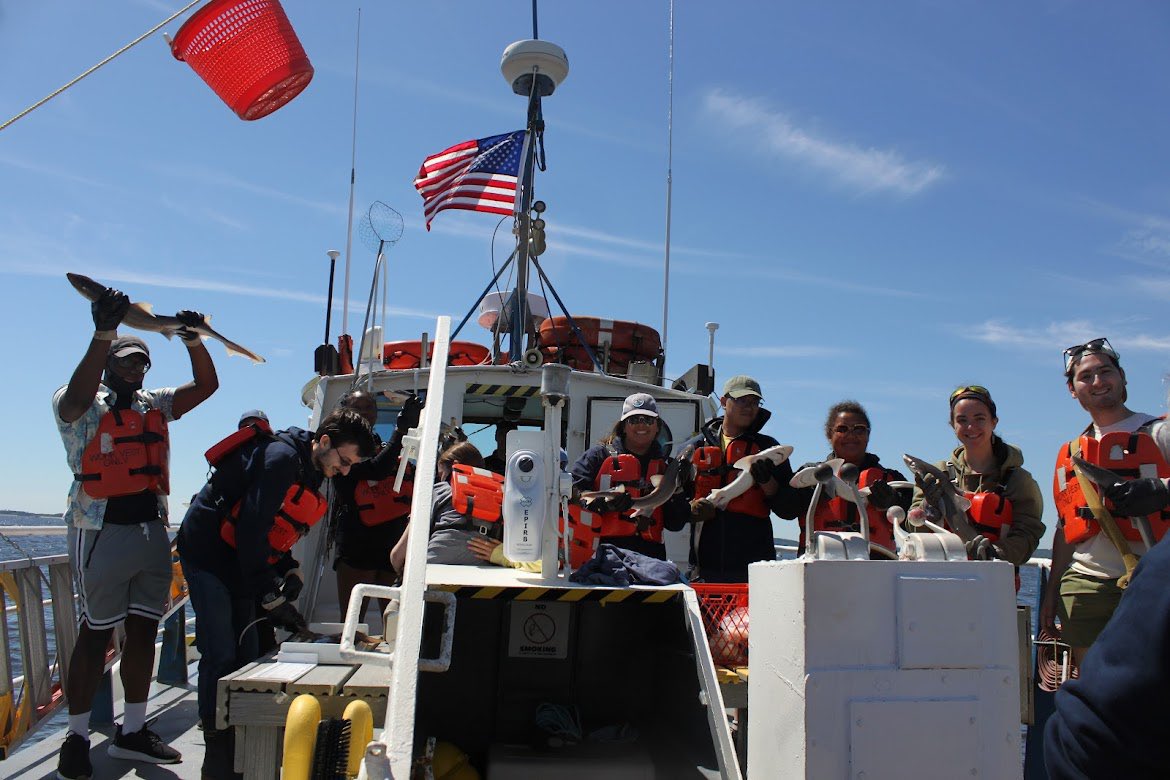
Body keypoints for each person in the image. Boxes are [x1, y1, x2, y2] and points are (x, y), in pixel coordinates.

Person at [52, 286, 218, 779]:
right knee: (94, 633)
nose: (133, 370)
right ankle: (77, 738)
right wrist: (105, 330)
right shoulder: (80, 401)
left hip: (150, 531)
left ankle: (133, 731)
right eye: (124, 362)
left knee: (145, 626)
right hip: (99, 531)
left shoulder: (155, 404)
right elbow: (74, 400)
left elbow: (206, 386)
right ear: (107, 364)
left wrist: (193, 339)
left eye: (140, 363)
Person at [177, 408, 376, 779]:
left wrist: (287, 568)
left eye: (351, 465)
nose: (346, 471)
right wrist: (271, 597)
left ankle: (241, 735)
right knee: (221, 652)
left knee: (249, 651)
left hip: (237, 557)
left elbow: (275, 526)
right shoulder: (281, 459)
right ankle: (217, 747)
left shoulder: (310, 467)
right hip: (207, 554)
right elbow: (251, 528)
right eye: (344, 461)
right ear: (325, 442)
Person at [1039, 338, 1170, 665]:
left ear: (1122, 377)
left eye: (1105, 371)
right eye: (1085, 376)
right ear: (1072, 389)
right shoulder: (1071, 454)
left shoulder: (1161, 433)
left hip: (1156, 581)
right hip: (1085, 588)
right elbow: (1065, 527)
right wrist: (1052, 592)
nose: (1097, 382)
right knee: (1093, 691)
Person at [908, 386, 1045, 566]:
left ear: (994, 422)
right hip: (942, 575)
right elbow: (913, 528)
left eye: (979, 419)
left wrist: (994, 553)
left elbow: (1028, 534)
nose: (971, 427)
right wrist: (929, 507)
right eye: (962, 420)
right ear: (952, 425)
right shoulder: (935, 475)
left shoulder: (1019, 480)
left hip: (993, 580)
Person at [688, 377, 803, 582]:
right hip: (705, 564)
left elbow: (789, 510)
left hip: (753, 566)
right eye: (742, 400)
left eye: (755, 402)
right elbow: (676, 504)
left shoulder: (770, 449)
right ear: (724, 402)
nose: (749, 408)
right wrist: (692, 508)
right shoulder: (696, 447)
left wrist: (767, 482)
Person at [567, 393, 690, 568]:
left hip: (651, 560)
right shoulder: (597, 457)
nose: (641, 425)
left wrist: (678, 488)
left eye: (648, 420)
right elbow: (570, 495)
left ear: (657, 427)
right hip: (602, 556)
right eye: (634, 420)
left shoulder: (667, 468)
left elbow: (676, 524)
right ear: (623, 426)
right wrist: (603, 505)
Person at [331, 390, 422, 626]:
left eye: (369, 407)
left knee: (393, 618)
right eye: (357, 408)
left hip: (390, 538)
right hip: (357, 540)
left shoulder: (377, 445)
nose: (364, 413)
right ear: (346, 411)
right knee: (351, 618)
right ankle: (347, 658)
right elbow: (374, 469)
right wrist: (400, 431)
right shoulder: (338, 445)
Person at [390, 441, 541, 572]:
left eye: (441, 474)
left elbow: (398, 555)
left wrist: (399, 568)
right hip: (486, 572)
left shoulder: (437, 491)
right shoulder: (505, 497)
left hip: (434, 567)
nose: (441, 478)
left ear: (455, 466)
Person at [795, 400, 911, 557]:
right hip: (820, 559)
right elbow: (786, 509)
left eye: (859, 429)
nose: (851, 435)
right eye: (842, 429)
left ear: (868, 434)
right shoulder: (809, 474)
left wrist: (892, 502)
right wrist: (814, 492)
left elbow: (913, 524)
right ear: (829, 434)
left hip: (878, 563)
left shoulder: (893, 480)